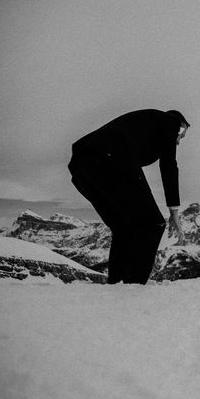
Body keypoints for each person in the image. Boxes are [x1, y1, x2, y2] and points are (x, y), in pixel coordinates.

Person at [68, 109, 190, 284]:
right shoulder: (170, 122)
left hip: (83, 166)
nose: (177, 141)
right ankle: (135, 288)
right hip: (109, 158)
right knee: (153, 224)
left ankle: (117, 285)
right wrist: (174, 212)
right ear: (179, 124)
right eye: (181, 135)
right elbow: (169, 165)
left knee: (124, 227)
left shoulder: (143, 124)